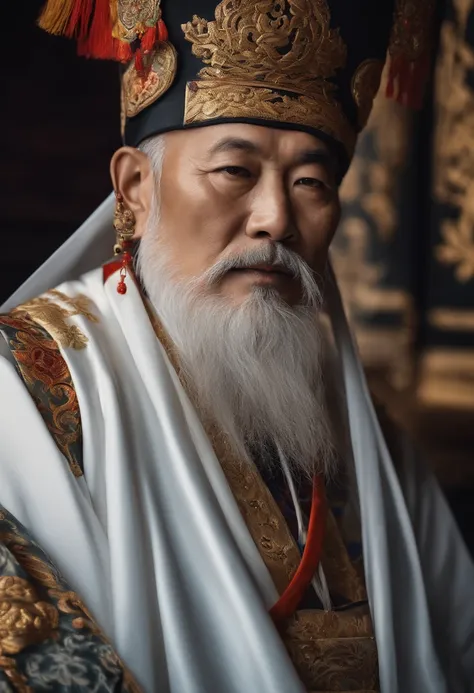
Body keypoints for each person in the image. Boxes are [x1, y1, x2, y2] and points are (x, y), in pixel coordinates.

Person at [0, 1, 473, 692]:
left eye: (312, 182)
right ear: (135, 187)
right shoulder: (26, 391)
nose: (276, 217)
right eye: (234, 172)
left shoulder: (365, 437)